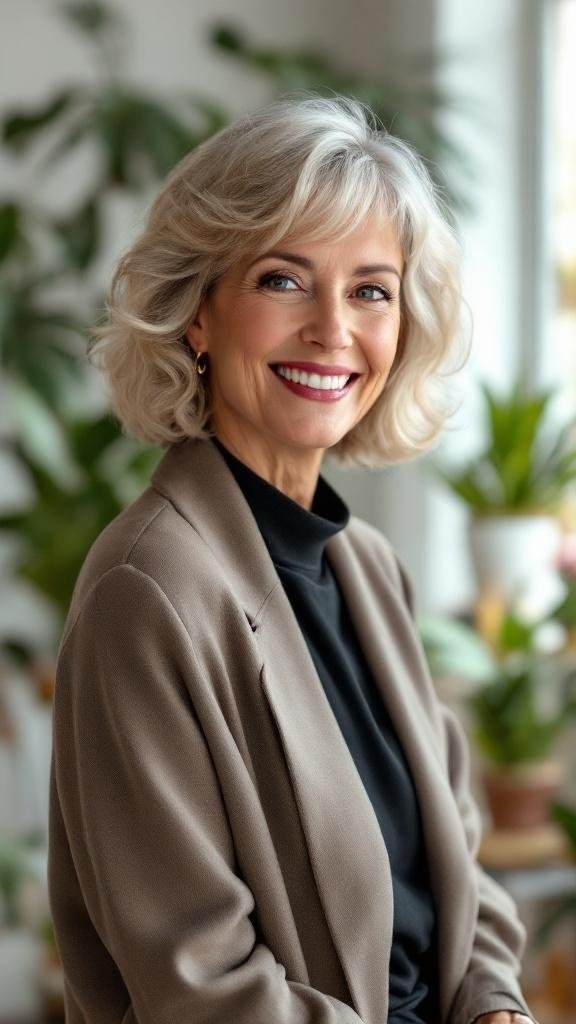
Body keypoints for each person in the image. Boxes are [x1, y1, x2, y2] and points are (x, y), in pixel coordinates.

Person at [47, 93, 538, 1024]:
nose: (333, 329)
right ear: (197, 313)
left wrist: (496, 1008)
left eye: (370, 289)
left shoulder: (370, 565)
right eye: (282, 280)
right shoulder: (144, 593)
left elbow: (462, 868)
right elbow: (200, 987)